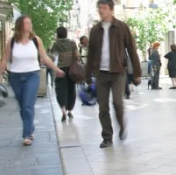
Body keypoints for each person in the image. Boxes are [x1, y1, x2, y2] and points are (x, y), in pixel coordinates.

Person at [0, 16, 65, 146]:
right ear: (20, 25)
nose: (29, 24)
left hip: (32, 75)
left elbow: (45, 58)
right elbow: (5, 59)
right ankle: (30, 128)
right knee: (22, 105)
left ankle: (27, 135)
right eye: (26, 22)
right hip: (15, 77)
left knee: (27, 105)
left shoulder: (36, 40)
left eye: (30, 22)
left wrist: (56, 69)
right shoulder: (12, 42)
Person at [85, 0, 142, 148]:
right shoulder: (95, 30)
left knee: (117, 102)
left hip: (118, 72)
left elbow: (132, 49)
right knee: (103, 106)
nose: (101, 11)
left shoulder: (121, 27)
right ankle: (107, 137)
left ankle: (122, 124)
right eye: (99, 8)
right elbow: (90, 53)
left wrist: (137, 72)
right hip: (101, 74)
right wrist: (87, 74)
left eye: (104, 8)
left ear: (111, 9)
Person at [50, 27, 81, 122]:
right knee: (71, 90)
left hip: (60, 70)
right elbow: (77, 55)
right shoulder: (72, 43)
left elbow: (52, 57)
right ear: (66, 33)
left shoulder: (55, 44)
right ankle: (70, 111)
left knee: (61, 90)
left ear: (57, 34)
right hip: (71, 70)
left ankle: (63, 110)